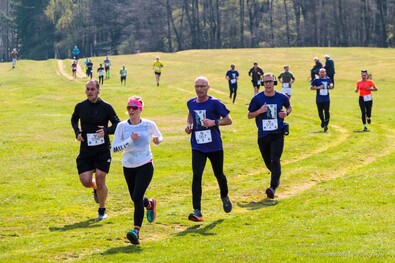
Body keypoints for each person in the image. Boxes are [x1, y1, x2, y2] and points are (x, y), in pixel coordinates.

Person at [112, 96, 163, 245]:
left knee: (137, 195)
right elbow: (114, 148)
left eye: (134, 108)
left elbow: (159, 136)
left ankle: (136, 231)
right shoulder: (122, 126)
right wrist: (130, 140)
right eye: (129, 108)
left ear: (140, 109)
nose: (131, 111)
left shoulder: (148, 124)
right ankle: (150, 204)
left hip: (145, 164)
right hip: (128, 166)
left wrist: (158, 140)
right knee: (135, 198)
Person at [184, 76, 233, 222]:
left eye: (202, 86)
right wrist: (188, 125)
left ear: (208, 87)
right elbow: (190, 116)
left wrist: (214, 122)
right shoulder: (191, 103)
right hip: (197, 146)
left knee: (219, 174)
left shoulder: (215, 103)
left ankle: (224, 195)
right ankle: (197, 211)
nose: (199, 89)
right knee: (196, 176)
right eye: (197, 86)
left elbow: (229, 120)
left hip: (214, 146)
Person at [71, 80, 121, 220]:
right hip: (86, 150)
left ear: (99, 90)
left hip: (102, 149)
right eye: (88, 89)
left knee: (100, 178)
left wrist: (106, 130)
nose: (90, 92)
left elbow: (118, 124)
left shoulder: (106, 107)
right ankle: (94, 188)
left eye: (93, 89)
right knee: (86, 181)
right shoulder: (80, 106)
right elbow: (74, 119)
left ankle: (102, 209)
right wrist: (77, 132)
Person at [247, 73, 292, 199]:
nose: (268, 84)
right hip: (263, 135)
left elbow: (289, 107)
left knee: (275, 159)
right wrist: (260, 111)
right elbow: (249, 115)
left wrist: (285, 113)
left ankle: (272, 188)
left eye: (270, 81)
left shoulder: (281, 97)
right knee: (268, 162)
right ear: (263, 83)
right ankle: (276, 177)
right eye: (265, 82)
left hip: (278, 133)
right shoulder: (257, 99)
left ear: (274, 82)